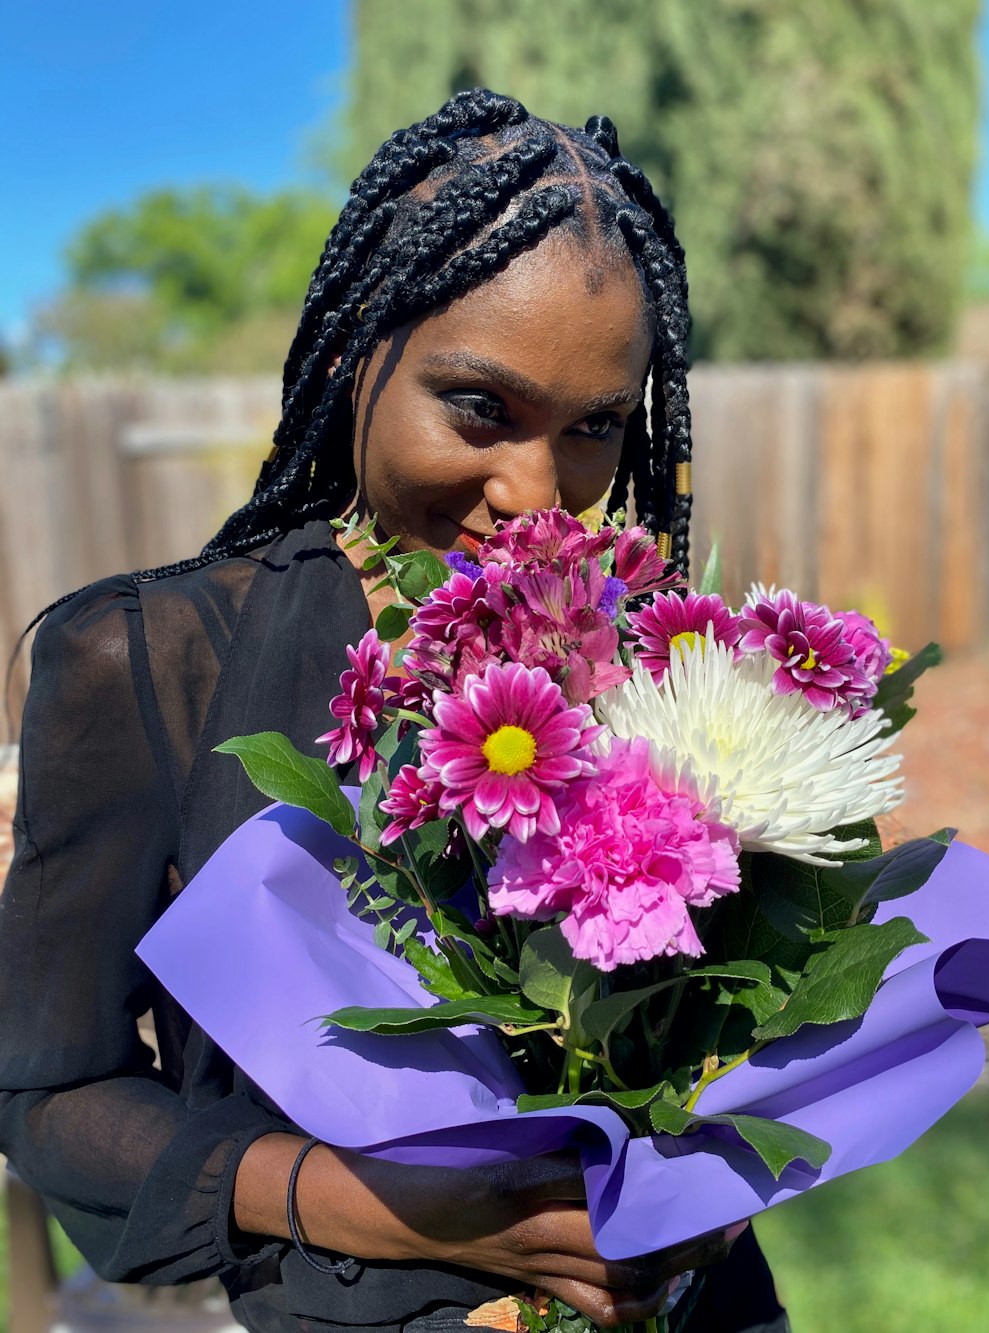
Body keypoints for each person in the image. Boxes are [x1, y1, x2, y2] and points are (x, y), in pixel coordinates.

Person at [0, 90, 789, 1333]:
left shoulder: (649, 652)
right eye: (481, 406)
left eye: (594, 427)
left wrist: (734, 1156)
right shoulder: (146, 661)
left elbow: (723, 1010)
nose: (537, 491)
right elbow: (51, 1095)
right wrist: (373, 1202)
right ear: (351, 352)